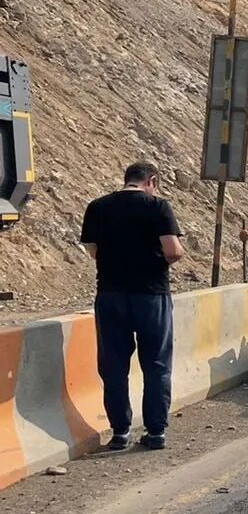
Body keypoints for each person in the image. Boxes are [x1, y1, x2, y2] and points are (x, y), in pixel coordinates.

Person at [79, 161, 185, 450]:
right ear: (151, 181)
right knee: (156, 366)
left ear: (126, 180)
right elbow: (173, 251)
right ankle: (156, 432)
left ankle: (120, 432)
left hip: (111, 295)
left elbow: (92, 250)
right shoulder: (157, 207)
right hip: (151, 295)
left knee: (113, 367)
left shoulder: (97, 207)